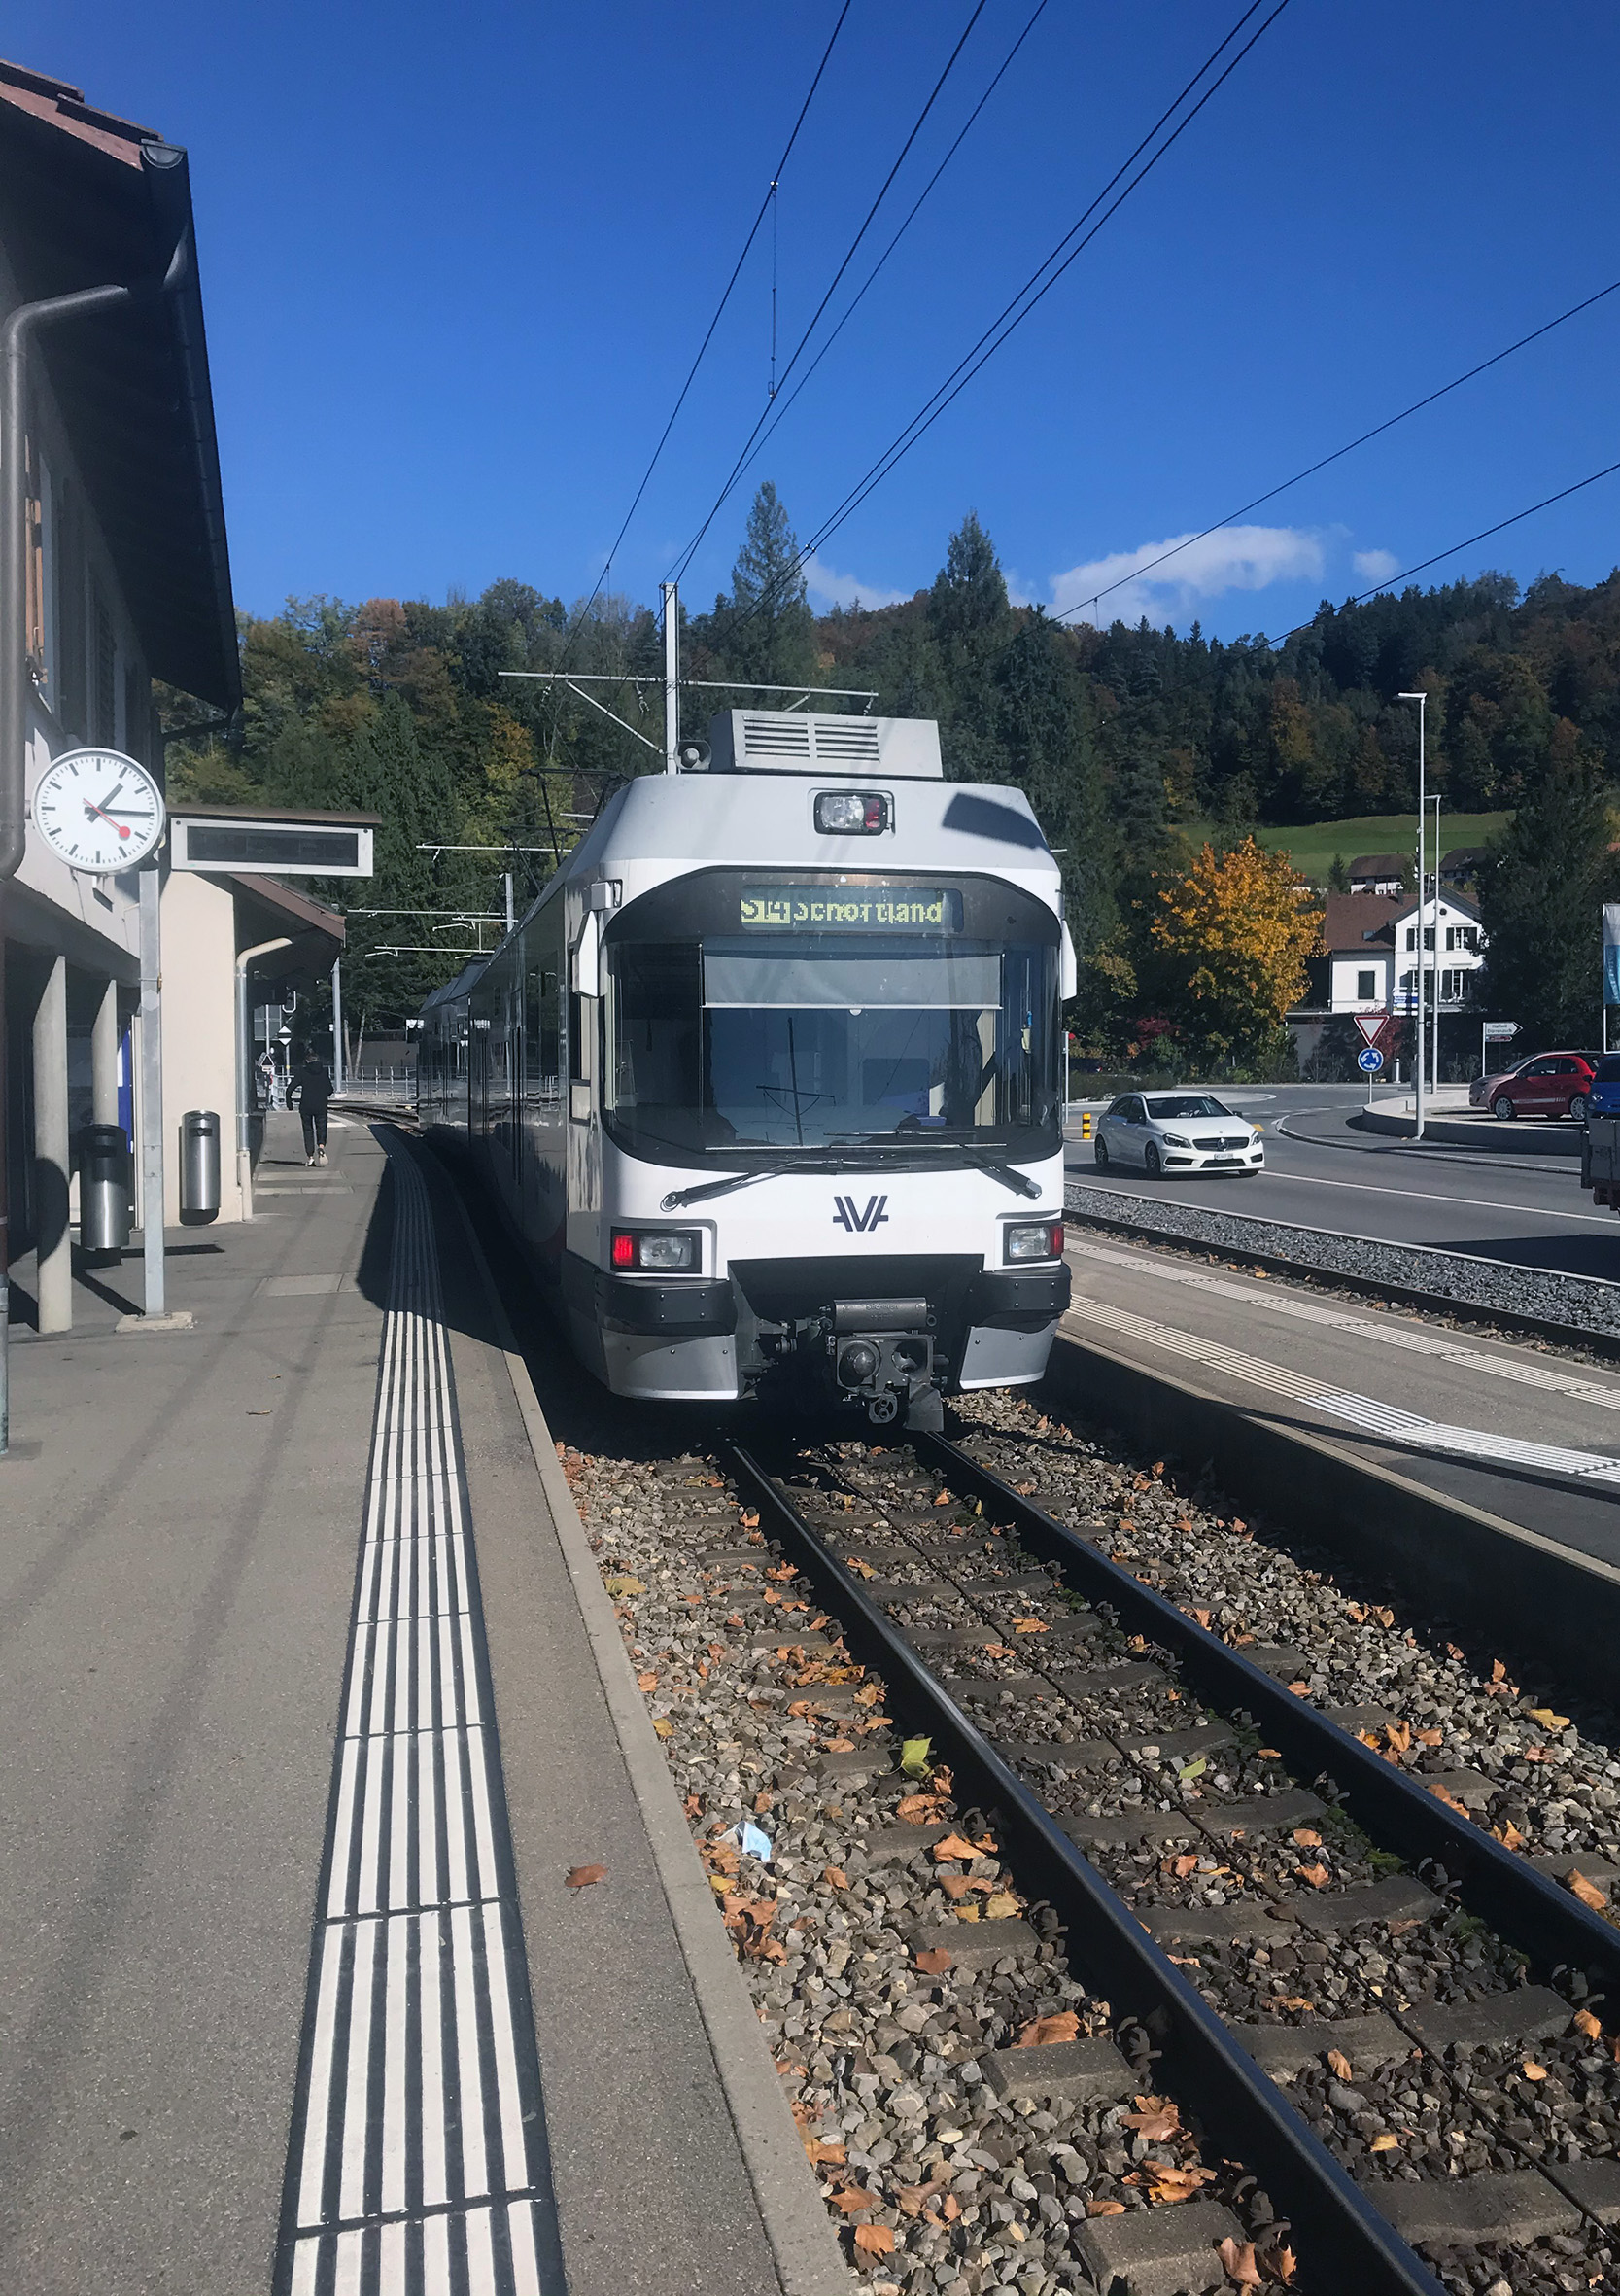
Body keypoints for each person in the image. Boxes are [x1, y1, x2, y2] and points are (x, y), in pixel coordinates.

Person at [288, 1047, 334, 1165]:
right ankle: (321, 1145)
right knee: (321, 1127)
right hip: (321, 1106)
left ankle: (310, 1157)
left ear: (306, 1061)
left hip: (306, 1106)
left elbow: (289, 1089)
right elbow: (330, 1090)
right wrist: (322, 1095)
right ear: (318, 1060)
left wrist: (290, 1104)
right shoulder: (324, 1072)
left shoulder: (302, 1072)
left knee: (308, 1130)